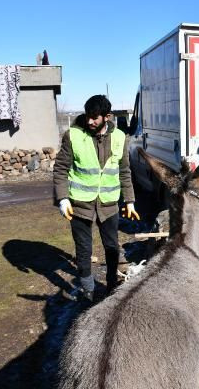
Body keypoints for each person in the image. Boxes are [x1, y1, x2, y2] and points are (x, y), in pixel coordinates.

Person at [53, 95, 140, 301]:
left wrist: (129, 200)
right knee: (84, 249)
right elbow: (60, 169)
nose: (90, 121)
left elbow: (124, 171)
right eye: (88, 116)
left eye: (95, 118)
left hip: (109, 204)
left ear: (107, 117)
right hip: (80, 204)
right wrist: (63, 198)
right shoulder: (73, 135)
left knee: (112, 247)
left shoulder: (119, 137)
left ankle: (111, 285)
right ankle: (88, 290)